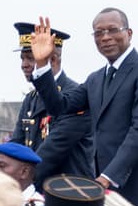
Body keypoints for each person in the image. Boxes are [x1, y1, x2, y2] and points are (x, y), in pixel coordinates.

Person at [30, 11, 138, 206]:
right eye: (98, 33)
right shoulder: (95, 79)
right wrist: (43, 65)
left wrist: (107, 177)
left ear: (129, 33)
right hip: (104, 194)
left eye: (113, 30)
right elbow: (59, 106)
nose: (105, 37)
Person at [9, 22, 95, 186]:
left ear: (53, 59)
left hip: (68, 195)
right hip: (36, 193)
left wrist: (18, 182)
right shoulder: (31, 98)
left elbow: (50, 154)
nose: (23, 64)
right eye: (22, 58)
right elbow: (17, 145)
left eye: (31, 58)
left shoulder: (74, 97)